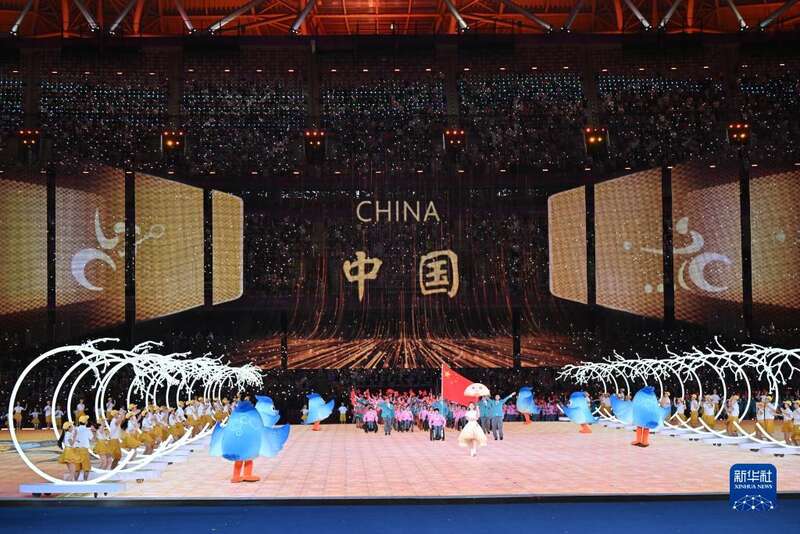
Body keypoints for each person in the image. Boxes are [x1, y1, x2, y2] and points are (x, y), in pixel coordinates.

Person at [72, 415, 94, 481]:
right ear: (86, 422)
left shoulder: (75, 429)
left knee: (77, 469)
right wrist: (94, 431)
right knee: (86, 469)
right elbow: (93, 439)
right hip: (84, 450)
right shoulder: (87, 430)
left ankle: (75, 482)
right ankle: (85, 482)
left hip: (76, 450)